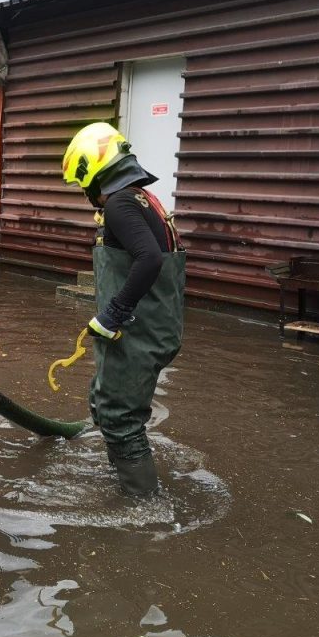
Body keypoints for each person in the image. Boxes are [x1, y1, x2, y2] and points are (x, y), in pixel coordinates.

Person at [61, 122, 185, 497]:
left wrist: (113, 313)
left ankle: (144, 509)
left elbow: (149, 260)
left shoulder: (119, 203)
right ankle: (125, 479)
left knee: (120, 418)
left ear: (92, 173)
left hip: (137, 331)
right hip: (154, 327)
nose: (85, 195)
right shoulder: (144, 199)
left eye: (83, 185)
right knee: (104, 400)